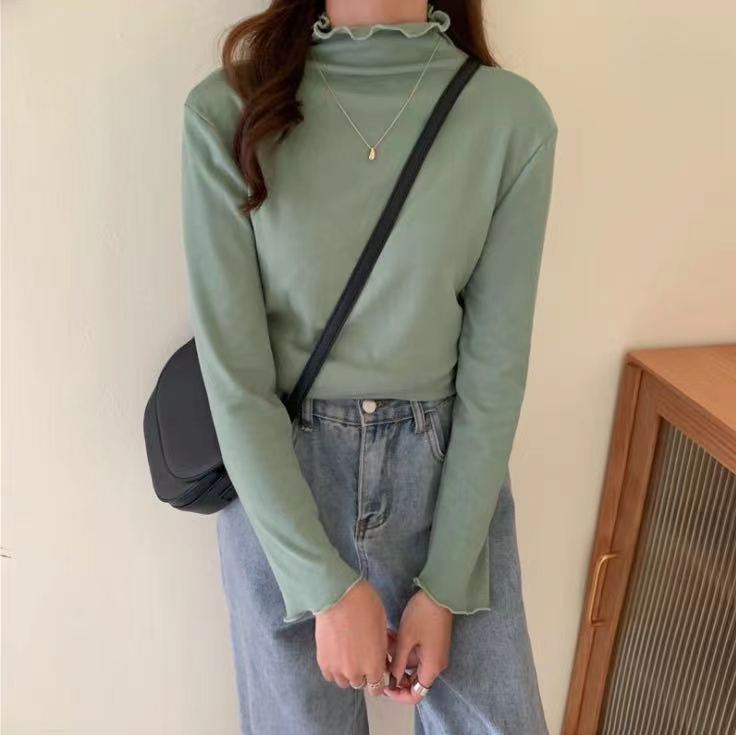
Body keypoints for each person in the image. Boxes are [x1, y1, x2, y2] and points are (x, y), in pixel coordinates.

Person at [180, 1, 557, 732]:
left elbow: (494, 374)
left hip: (445, 476)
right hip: (281, 479)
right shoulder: (227, 111)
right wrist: (321, 585)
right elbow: (235, 379)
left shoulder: (508, 118)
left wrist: (444, 586)